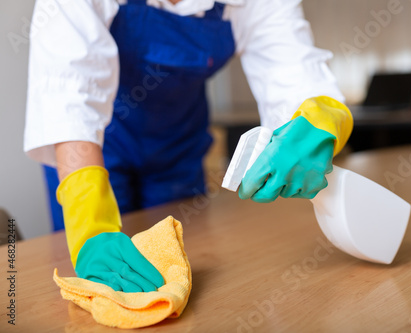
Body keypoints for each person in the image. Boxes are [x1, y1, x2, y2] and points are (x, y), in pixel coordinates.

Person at [24, 0, 353, 293]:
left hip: (178, 149)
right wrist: (90, 225)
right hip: (89, 153)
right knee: (100, 280)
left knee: (176, 270)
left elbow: (294, 69)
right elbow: (68, 95)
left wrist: (318, 121)